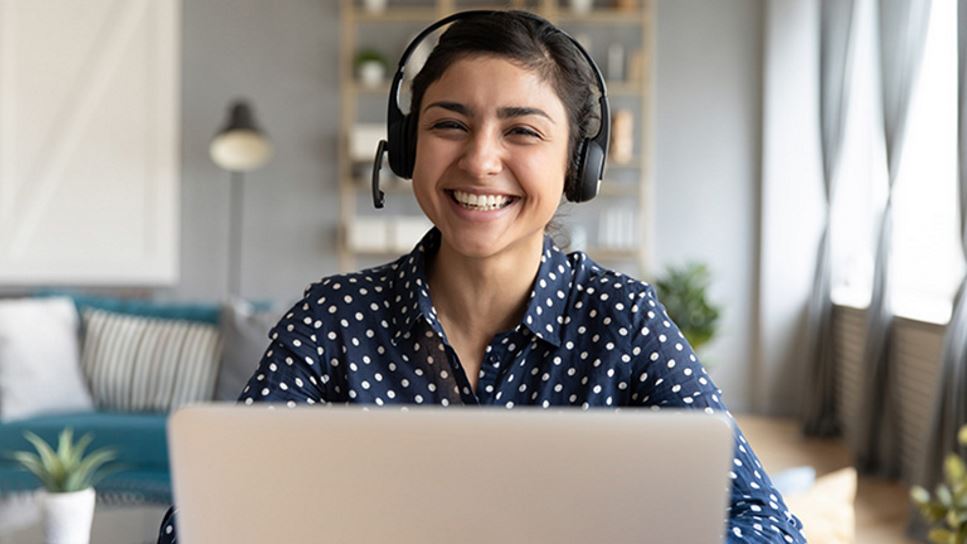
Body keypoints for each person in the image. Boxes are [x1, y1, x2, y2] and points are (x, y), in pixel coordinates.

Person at [158, 10, 805, 543]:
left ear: (576, 168)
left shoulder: (624, 321)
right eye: (448, 124)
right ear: (407, 147)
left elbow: (766, 523)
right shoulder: (333, 318)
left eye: (522, 131)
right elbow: (200, 520)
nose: (480, 159)